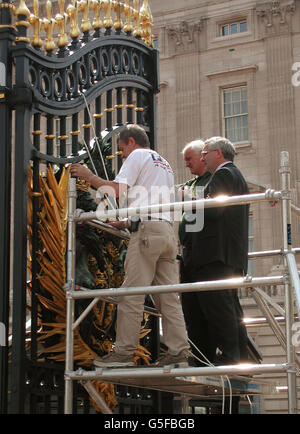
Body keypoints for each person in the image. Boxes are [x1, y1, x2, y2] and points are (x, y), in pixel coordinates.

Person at [71, 124, 190, 368]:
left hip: (147, 233)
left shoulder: (137, 155)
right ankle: (179, 352)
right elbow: (153, 200)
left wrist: (87, 176)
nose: (122, 155)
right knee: (168, 298)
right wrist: (126, 221)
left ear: (132, 142)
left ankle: (123, 353)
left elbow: (116, 190)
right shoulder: (164, 163)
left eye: (121, 148)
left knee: (131, 294)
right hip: (167, 233)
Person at [180, 136, 249, 366]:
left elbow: (212, 209)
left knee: (220, 309)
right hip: (225, 255)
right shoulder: (233, 175)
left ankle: (231, 357)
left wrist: (186, 198)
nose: (202, 157)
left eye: (205, 153)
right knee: (227, 308)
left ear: (218, 153)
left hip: (216, 255)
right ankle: (236, 356)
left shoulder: (224, 174)